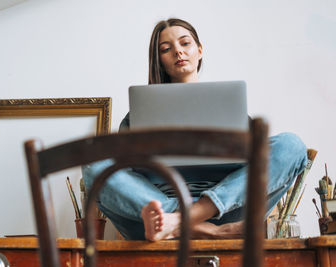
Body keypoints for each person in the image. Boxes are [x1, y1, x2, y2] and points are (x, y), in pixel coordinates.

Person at [82, 18, 308, 241]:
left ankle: (181, 222)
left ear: (199, 51)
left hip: (228, 212)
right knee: (93, 162)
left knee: (292, 145)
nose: (178, 52)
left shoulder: (231, 108)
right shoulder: (136, 118)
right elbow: (125, 174)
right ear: (159, 60)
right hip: (155, 218)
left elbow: (257, 169)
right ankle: (201, 228)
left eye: (185, 43)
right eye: (166, 49)